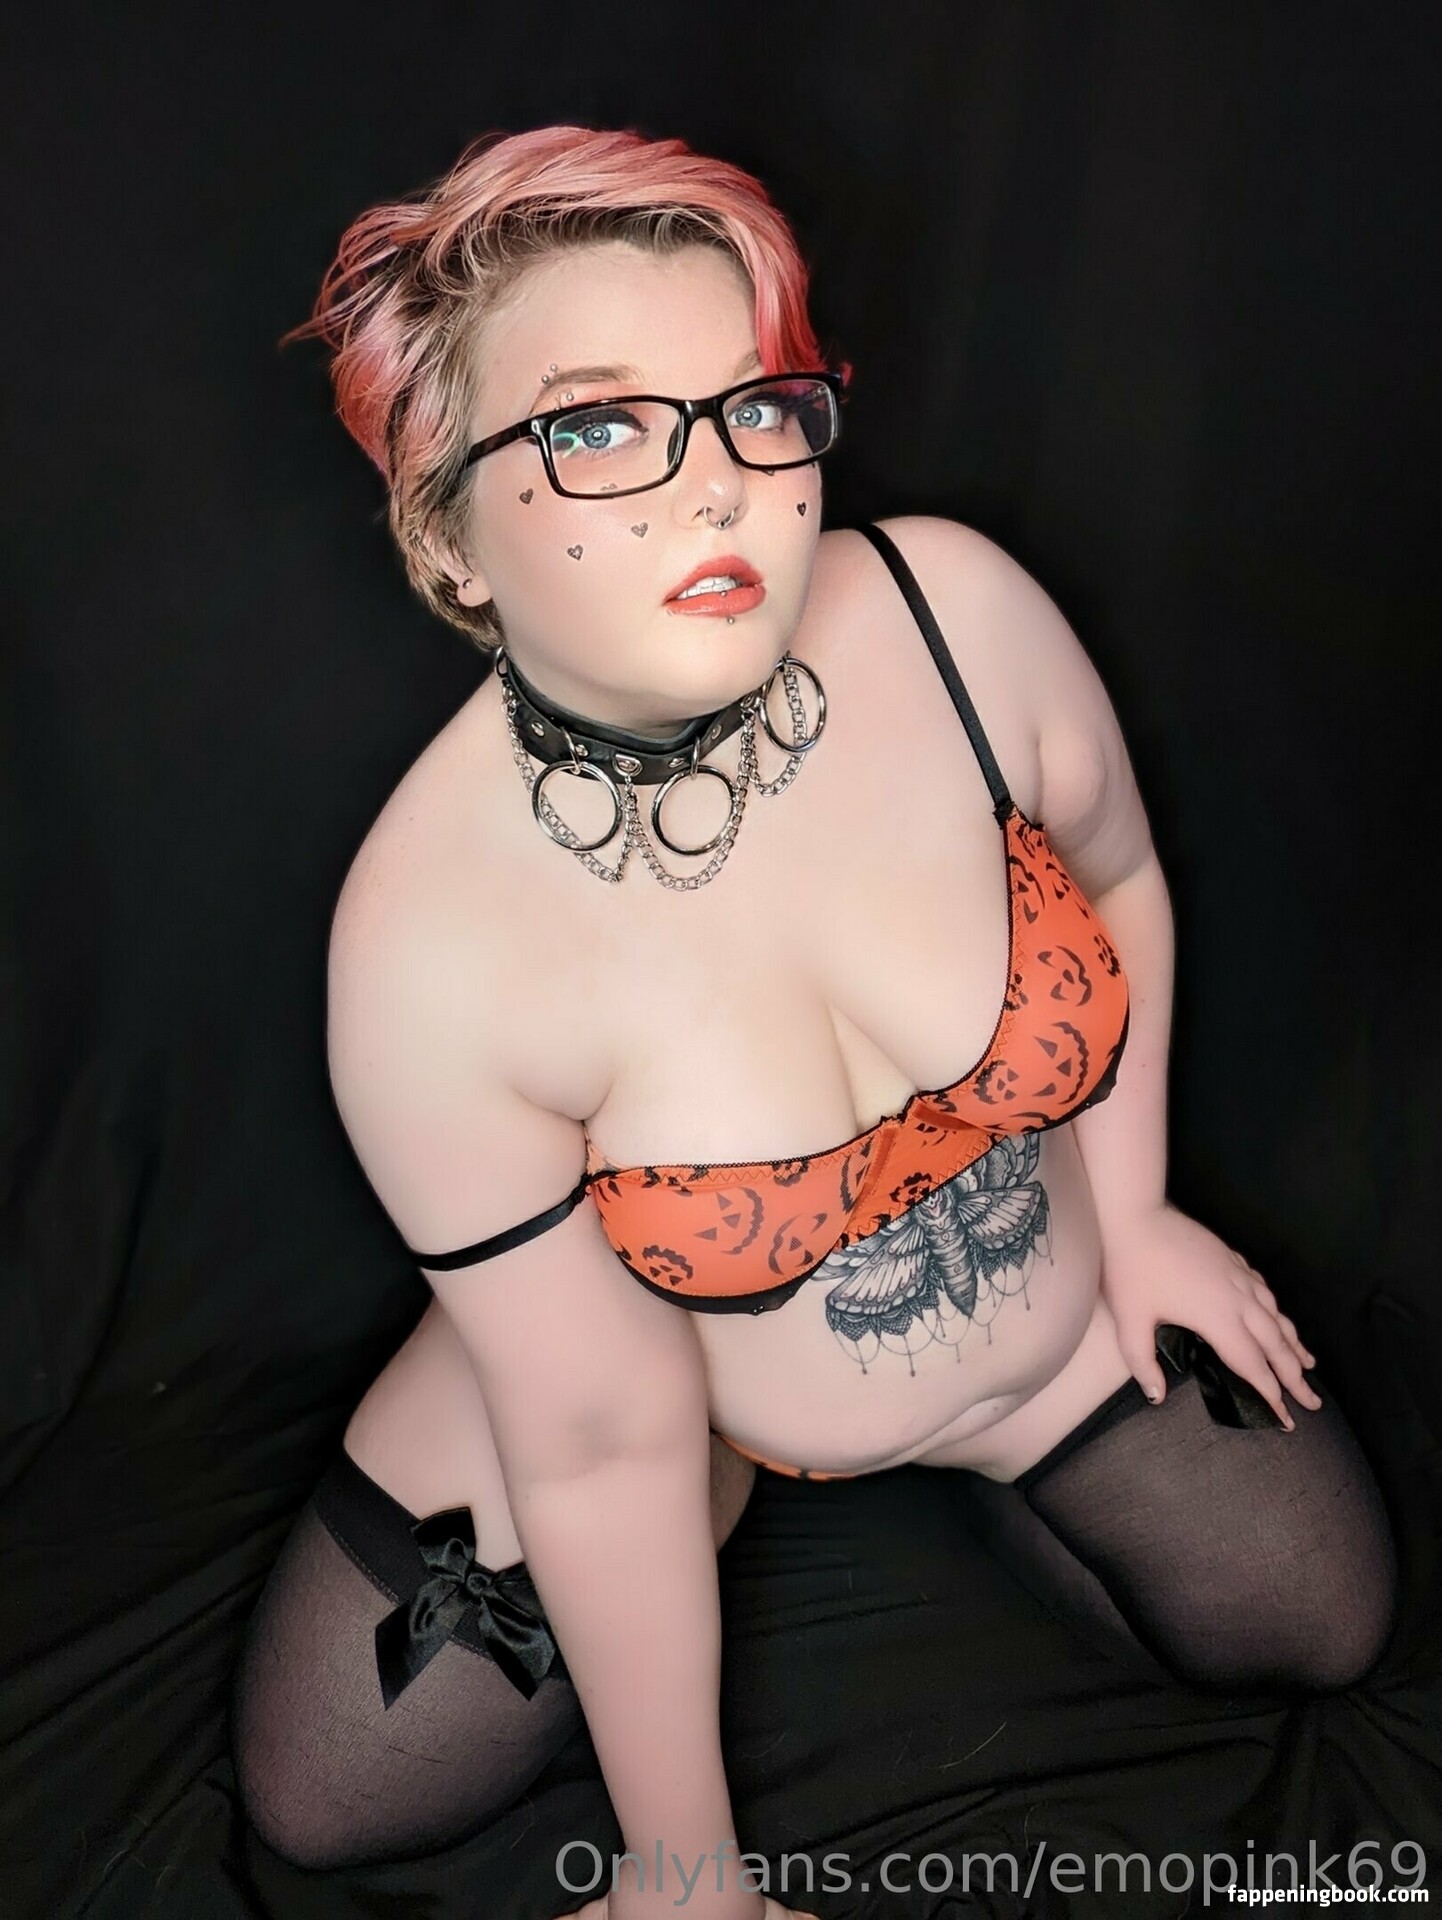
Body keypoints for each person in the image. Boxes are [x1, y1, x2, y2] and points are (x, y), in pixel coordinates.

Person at [230, 125, 1397, 1917]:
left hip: (1040, 1324)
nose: (715, 488)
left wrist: (1140, 1209)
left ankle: (985, 1449)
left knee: (1316, 1619)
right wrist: (684, 1872)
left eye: (754, 407)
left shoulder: (955, 612)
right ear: (449, 533)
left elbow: (1121, 881)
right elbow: (604, 1434)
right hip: (653, 1390)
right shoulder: (425, 946)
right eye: (597, 429)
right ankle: (564, 1368)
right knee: (334, 1789)